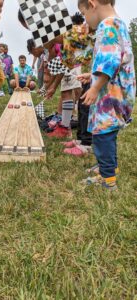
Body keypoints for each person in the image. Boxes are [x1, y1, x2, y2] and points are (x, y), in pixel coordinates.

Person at [78, 0, 136, 190]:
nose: (86, 21)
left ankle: (107, 178)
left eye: (84, 14)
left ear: (92, 4)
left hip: (110, 94)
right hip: (120, 91)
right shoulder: (118, 23)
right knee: (109, 132)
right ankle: (109, 166)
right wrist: (92, 75)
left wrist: (94, 88)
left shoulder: (107, 26)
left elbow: (109, 61)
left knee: (102, 132)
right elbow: (118, 58)